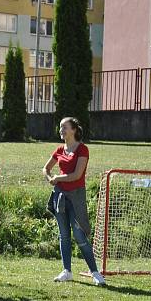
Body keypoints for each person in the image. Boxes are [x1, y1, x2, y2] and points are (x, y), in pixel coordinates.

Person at [43, 117, 106, 286]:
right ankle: (67, 271)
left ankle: (95, 273)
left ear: (74, 130)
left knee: (80, 235)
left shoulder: (82, 149)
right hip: (60, 196)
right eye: (60, 127)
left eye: (64, 127)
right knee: (63, 235)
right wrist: (50, 178)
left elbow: (77, 175)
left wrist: (58, 177)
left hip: (76, 196)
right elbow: (46, 168)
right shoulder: (59, 149)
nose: (61, 130)